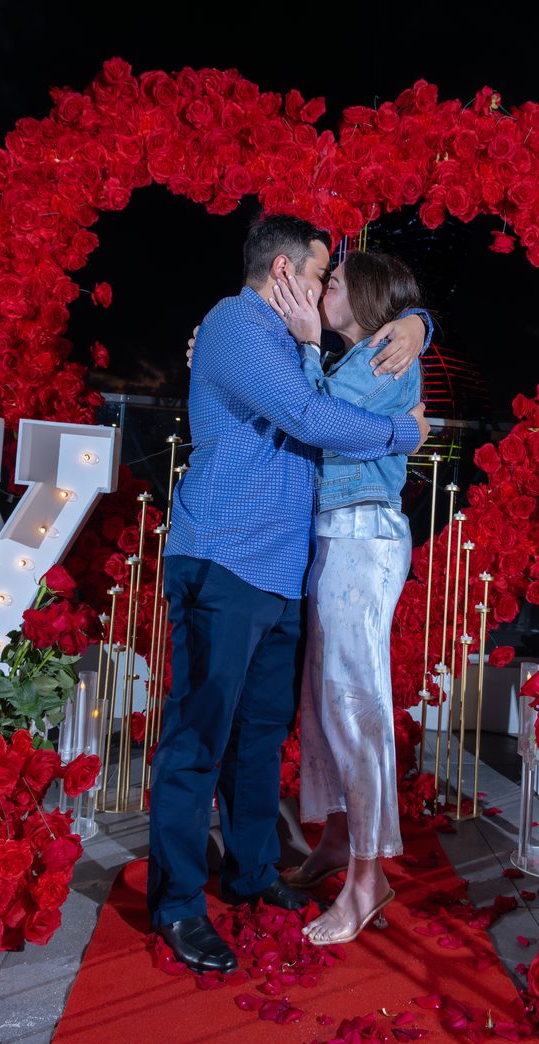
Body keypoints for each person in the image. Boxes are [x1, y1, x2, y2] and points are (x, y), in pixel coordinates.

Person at [147, 215, 431, 975]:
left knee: (261, 736)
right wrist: (406, 435)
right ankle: (176, 901)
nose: (320, 289)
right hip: (226, 557)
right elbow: (311, 416)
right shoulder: (238, 324)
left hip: (282, 568)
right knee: (200, 736)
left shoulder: (292, 340)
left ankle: (248, 872)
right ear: (280, 270)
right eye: (315, 274)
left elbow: (357, 356)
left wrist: (416, 320)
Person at [271, 251, 423, 945]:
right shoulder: (366, 355)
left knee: (354, 701)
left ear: (363, 296)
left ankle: (368, 877)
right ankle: (339, 836)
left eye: (333, 282)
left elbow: (318, 421)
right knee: (325, 696)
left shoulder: (383, 354)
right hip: (341, 535)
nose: (322, 289)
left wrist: (305, 344)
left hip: (362, 535)